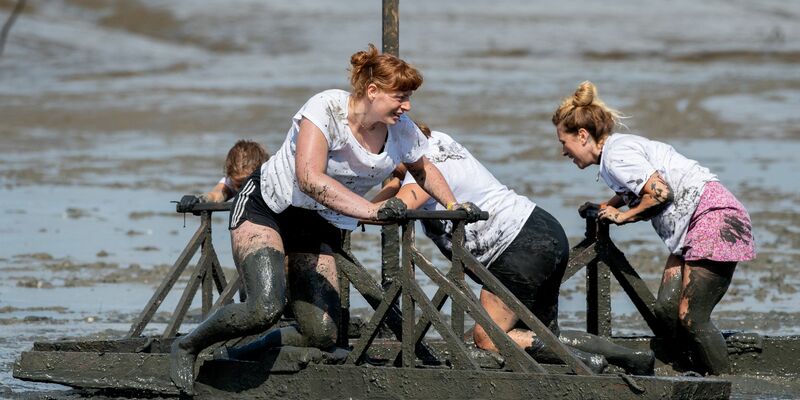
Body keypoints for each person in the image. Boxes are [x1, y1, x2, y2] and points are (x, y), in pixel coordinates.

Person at [169, 44, 477, 393]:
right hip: (268, 208)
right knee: (264, 307)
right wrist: (373, 211)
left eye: (409, 98)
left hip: (316, 223)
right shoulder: (326, 108)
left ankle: (244, 351)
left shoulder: (401, 128)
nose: (406, 106)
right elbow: (310, 180)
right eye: (400, 97)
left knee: (321, 334)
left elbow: (424, 170)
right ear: (372, 91)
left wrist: (454, 203)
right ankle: (187, 346)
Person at [380, 121, 654, 375]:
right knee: (545, 333)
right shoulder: (439, 141)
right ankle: (632, 357)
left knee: (487, 337)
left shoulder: (423, 175)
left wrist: (380, 187)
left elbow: (391, 208)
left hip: (516, 250)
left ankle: (585, 363)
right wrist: (395, 178)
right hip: (544, 227)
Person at [552, 81, 756, 375]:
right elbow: (634, 186)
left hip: (715, 219)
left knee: (692, 317)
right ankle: (692, 367)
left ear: (582, 136)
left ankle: (723, 384)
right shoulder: (614, 154)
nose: (563, 152)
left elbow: (660, 193)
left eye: (564, 143)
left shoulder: (616, 156)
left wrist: (623, 217)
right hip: (693, 228)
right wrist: (608, 204)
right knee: (667, 310)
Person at [177, 139, 269, 210]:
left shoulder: (271, 177)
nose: (244, 189)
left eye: (247, 183)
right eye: (239, 185)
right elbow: (216, 195)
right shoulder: (231, 180)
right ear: (229, 175)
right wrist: (199, 200)